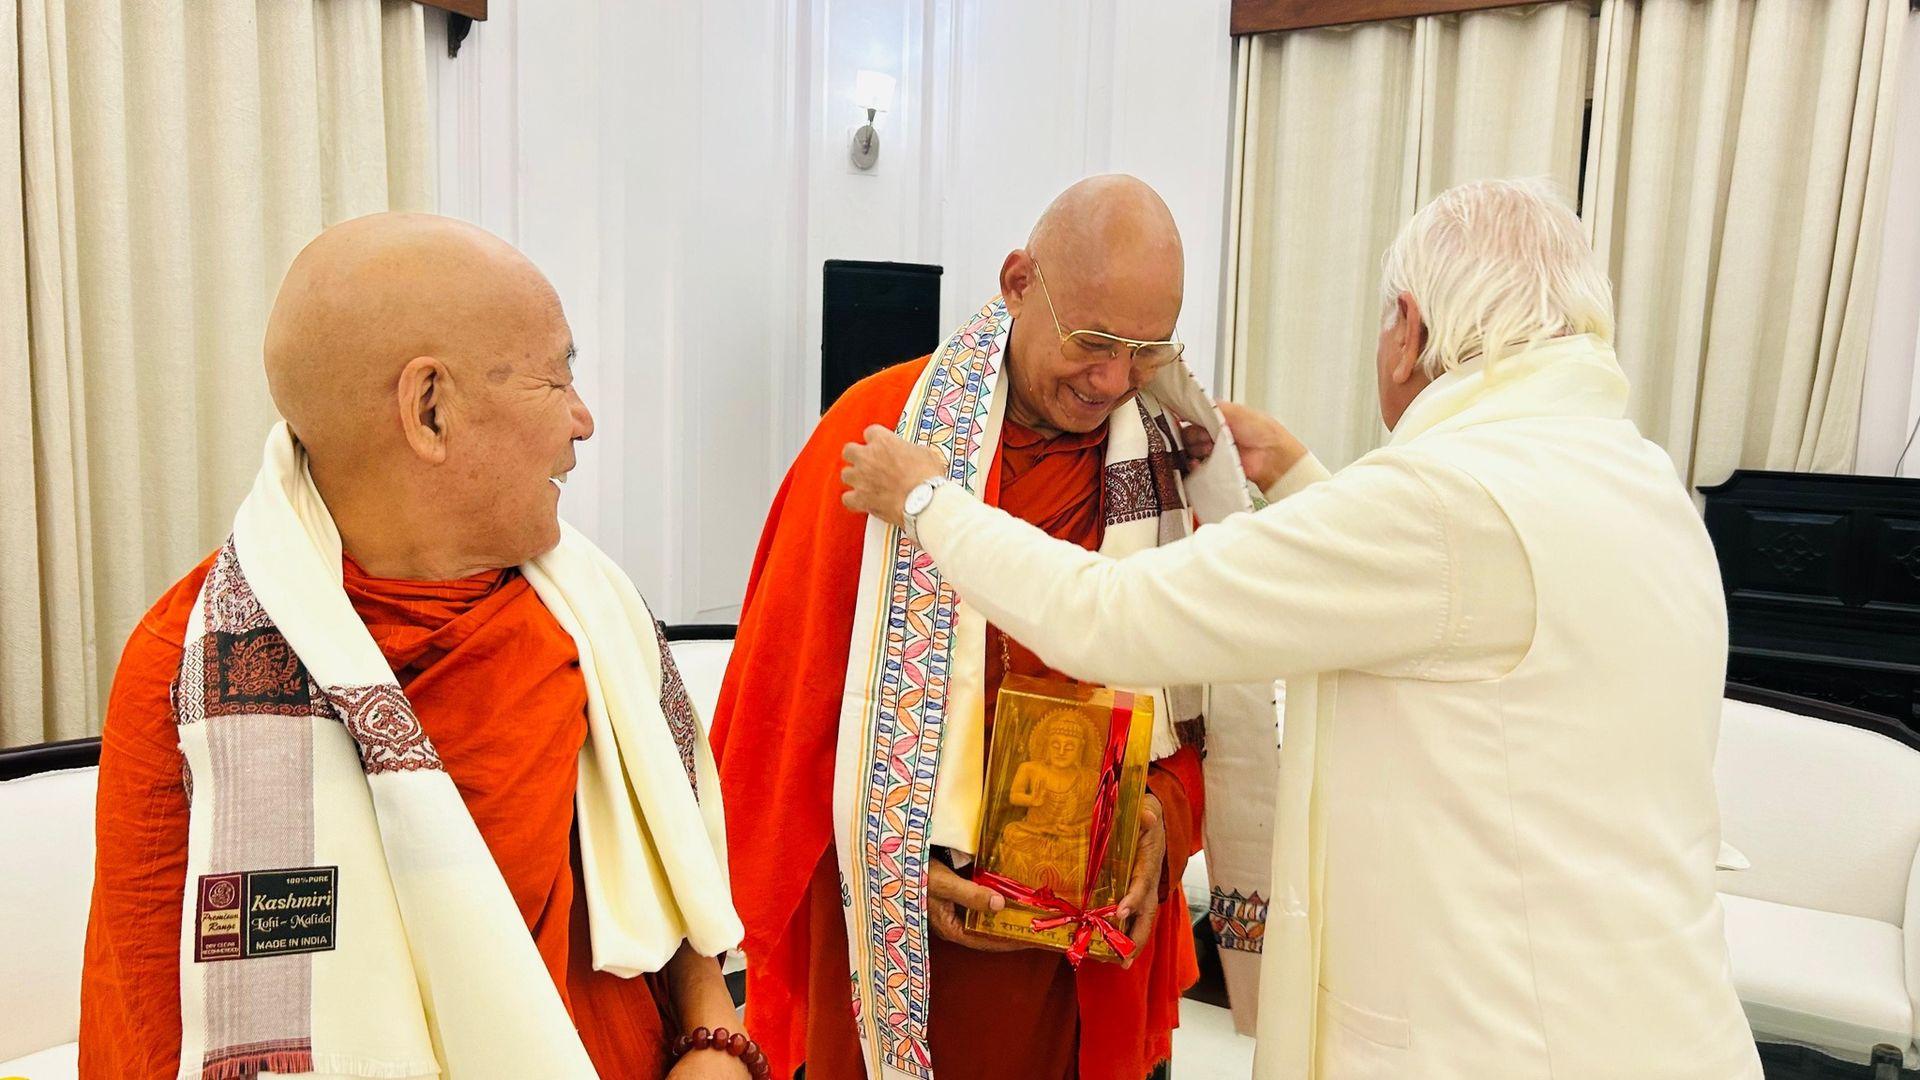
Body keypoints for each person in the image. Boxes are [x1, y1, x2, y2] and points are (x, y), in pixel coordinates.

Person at [842, 178, 1763, 1079]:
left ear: (1409, 330)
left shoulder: (1447, 503)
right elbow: (1460, 609)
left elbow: (1111, 615)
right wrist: (1294, 472)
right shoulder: (1644, 482)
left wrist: (928, 500)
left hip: (1503, 1037)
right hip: (1666, 1024)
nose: (1114, 377)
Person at [80, 213, 757, 1080]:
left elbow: (674, 869)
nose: (584, 422)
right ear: (429, 409)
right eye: (558, 380)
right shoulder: (195, 668)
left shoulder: (592, 615)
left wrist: (714, 1042)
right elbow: (153, 1019)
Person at [711, 175, 1276, 1080]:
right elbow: (779, 726)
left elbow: (1203, 713)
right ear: (1018, 282)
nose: (1114, 381)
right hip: (916, 953)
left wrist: (1165, 823)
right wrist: (889, 848)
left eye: (1145, 351)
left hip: (1088, 967)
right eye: (1093, 343)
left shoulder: (1174, 470)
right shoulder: (875, 438)